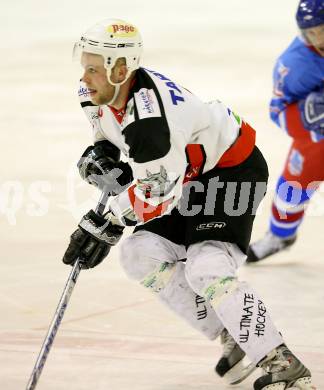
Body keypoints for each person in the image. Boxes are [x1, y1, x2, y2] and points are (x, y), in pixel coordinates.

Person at [62, 18, 315, 389]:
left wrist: (108, 222)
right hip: (188, 173)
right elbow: (111, 138)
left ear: (121, 69)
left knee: (207, 266)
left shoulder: (150, 124)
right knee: (140, 254)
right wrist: (100, 152)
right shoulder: (98, 91)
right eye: (84, 65)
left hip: (231, 170)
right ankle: (232, 333)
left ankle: (283, 364)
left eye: (94, 69)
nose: (85, 77)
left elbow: (156, 195)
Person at [247, 0, 324, 263]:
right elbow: (278, 111)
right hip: (318, 137)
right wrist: (308, 118)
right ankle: (280, 235)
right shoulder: (296, 65)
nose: (318, 39)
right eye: (311, 32)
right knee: (293, 188)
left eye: (322, 29)